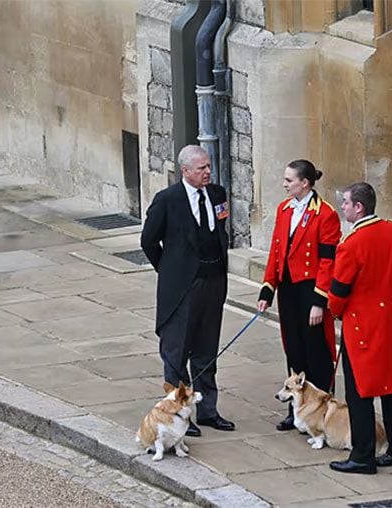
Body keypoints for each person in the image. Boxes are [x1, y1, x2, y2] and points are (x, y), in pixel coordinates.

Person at [140, 144, 235, 437]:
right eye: (201, 168)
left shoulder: (217, 195)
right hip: (182, 288)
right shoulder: (167, 200)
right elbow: (148, 241)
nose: (207, 172)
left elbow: (220, 230)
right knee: (177, 351)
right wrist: (170, 272)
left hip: (213, 282)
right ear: (185, 171)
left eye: (208, 167)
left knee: (206, 350)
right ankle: (180, 413)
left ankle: (207, 409)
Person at [327, 182, 392, 475]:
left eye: (346, 203)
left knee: (360, 393)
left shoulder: (351, 244)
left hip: (363, 326)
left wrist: (336, 311)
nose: (343, 207)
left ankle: (363, 456)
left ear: (359, 208)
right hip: (391, 319)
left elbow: (338, 294)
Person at [257, 159, 340, 431]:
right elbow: (276, 252)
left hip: (311, 290)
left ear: (305, 183)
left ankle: (322, 411)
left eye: (289, 180)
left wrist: (320, 301)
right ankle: (297, 410)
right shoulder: (284, 209)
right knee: (293, 350)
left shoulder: (325, 214)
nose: (284, 184)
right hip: (289, 290)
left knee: (315, 352)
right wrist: (267, 288)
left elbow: (328, 261)